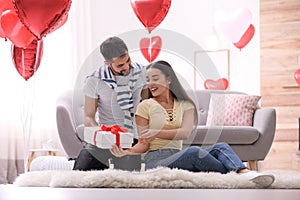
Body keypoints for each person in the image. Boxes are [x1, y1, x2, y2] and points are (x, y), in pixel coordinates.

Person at [110, 60, 275, 187]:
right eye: (147, 80)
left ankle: (244, 172)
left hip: (177, 153)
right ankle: (241, 174)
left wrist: (156, 132)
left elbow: (185, 132)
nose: (150, 84)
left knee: (221, 146)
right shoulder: (144, 106)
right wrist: (127, 151)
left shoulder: (185, 104)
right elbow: (143, 145)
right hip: (157, 159)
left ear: (168, 80)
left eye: (155, 78)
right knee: (195, 152)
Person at [73, 36, 148, 171]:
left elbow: (148, 107)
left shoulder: (143, 73)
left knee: (127, 181)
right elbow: (88, 117)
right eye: (120, 65)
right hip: (104, 138)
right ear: (107, 63)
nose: (126, 67)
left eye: (128, 60)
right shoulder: (94, 80)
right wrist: (102, 136)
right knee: (81, 169)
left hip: (131, 137)